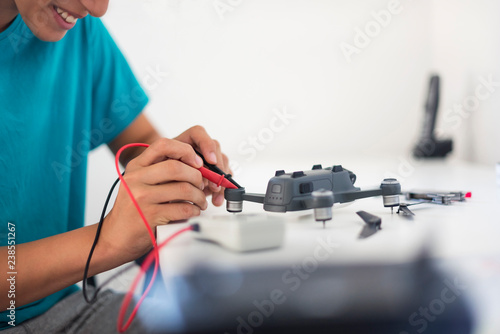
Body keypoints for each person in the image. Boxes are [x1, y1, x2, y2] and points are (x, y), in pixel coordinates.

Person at [0, 0, 230, 332]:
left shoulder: (75, 28)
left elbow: (138, 138)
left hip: (65, 310)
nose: (97, 8)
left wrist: (174, 163)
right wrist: (107, 243)